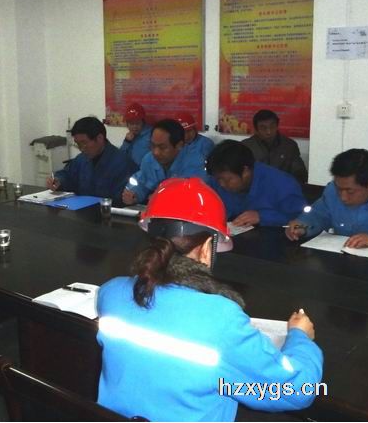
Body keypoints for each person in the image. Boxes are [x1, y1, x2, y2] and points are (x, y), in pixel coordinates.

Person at [97, 178, 323, 421]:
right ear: (207, 248)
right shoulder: (220, 318)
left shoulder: (111, 293)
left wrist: (227, 382)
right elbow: (297, 391)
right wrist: (300, 338)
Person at [206, 140, 306, 227]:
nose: (222, 184)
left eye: (228, 180)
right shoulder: (216, 181)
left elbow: (302, 219)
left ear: (245, 171)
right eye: (218, 179)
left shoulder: (282, 184)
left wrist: (262, 216)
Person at [46, 117, 136, 202]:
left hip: (106, 211)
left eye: (84, 143)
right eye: (78, 144)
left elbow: (121, 201)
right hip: (82, 209)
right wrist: (58, 181)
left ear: (100, 138)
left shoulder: (123, 164)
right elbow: (67, 175)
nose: (81, 149)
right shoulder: (81, 159)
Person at [122, 119, 206, 206]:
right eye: (153, 146)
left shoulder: (195, 162)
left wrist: (160, 196)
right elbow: (141, 181)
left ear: (179, 145)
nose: (156, 152)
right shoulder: (149, 159)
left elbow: (190, 195)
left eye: (162, 147)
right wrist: (134, 194)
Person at [242, 109, 308, 184]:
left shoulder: (289, 145)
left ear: (277, 125)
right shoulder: (246, 146)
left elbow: (300, 173)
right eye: (263, 128)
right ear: (256, 130)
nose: (269, 131)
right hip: (256, 188)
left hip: (282, 186)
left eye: (272, 126)